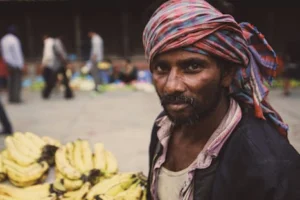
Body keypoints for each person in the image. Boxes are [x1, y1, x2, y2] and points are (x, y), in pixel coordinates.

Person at [143, 1, 300, 200]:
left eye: (192, 67)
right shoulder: (163, 128)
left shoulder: (268, 165)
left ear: (227, 73)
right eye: (161, 68)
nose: (172, 86)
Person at [41, 34, 73, 99]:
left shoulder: (55, 42)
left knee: (63, 79)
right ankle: (46, 94)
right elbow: (60, 54)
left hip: (58, 64)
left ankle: (68, 94)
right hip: (58, 65)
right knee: (54, 79)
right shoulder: (57, 42)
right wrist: (66, 63)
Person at [0, 25, 24, 103]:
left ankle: (10, 98)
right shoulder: (14, 39)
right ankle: (16, 98)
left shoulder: (3, 40)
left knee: (10, 81)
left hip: (7, 63)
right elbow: (17, 53)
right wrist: (21, 64)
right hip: (15, 63)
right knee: (17, 81)